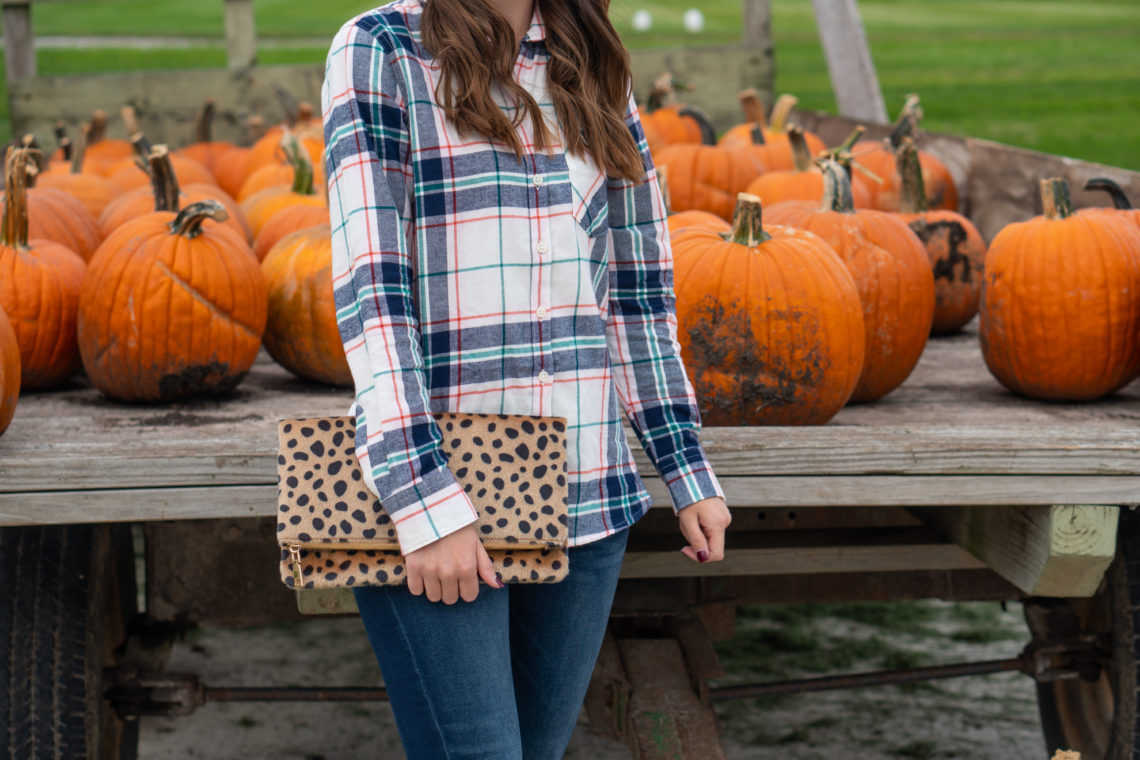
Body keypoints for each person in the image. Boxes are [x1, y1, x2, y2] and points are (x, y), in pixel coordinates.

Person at [322, 0, 731, 756]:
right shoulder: (382, 48)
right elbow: (374, 294)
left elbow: (637, 295)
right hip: (445, 495)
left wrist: (686, 466)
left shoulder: (588, 58)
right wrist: (426, 502)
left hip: (588, 488)